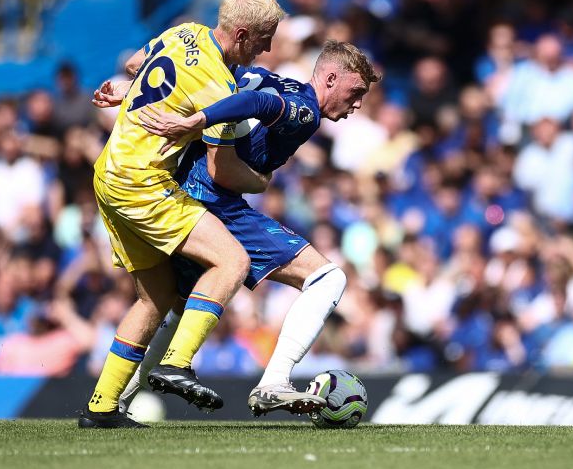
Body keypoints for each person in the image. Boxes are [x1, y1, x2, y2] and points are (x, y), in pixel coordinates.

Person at [108, 40, 380, 416]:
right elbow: (256, 105)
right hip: (215, 198)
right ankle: (274, 381)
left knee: (179, 303)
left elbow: (212, 76)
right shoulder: (304, 110)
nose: (358, 104)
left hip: (185, 189)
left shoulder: (270, 78)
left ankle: (115, 403)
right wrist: (197, 122)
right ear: (331, 78)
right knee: (327, 279)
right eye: (356, 92)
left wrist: (135, 87)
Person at [79, 0, 284, 429]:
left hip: (108, 172)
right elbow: (221, 170)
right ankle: (176, 363)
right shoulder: (220, 88)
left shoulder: (184, 32)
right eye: (265, 37)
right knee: (231, 261)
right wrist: (262, 181)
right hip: (142, 182)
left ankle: (101, 406)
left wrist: (135, 97)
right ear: (244, 34)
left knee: (156, 297)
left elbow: (136, 65)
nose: (268, 48)